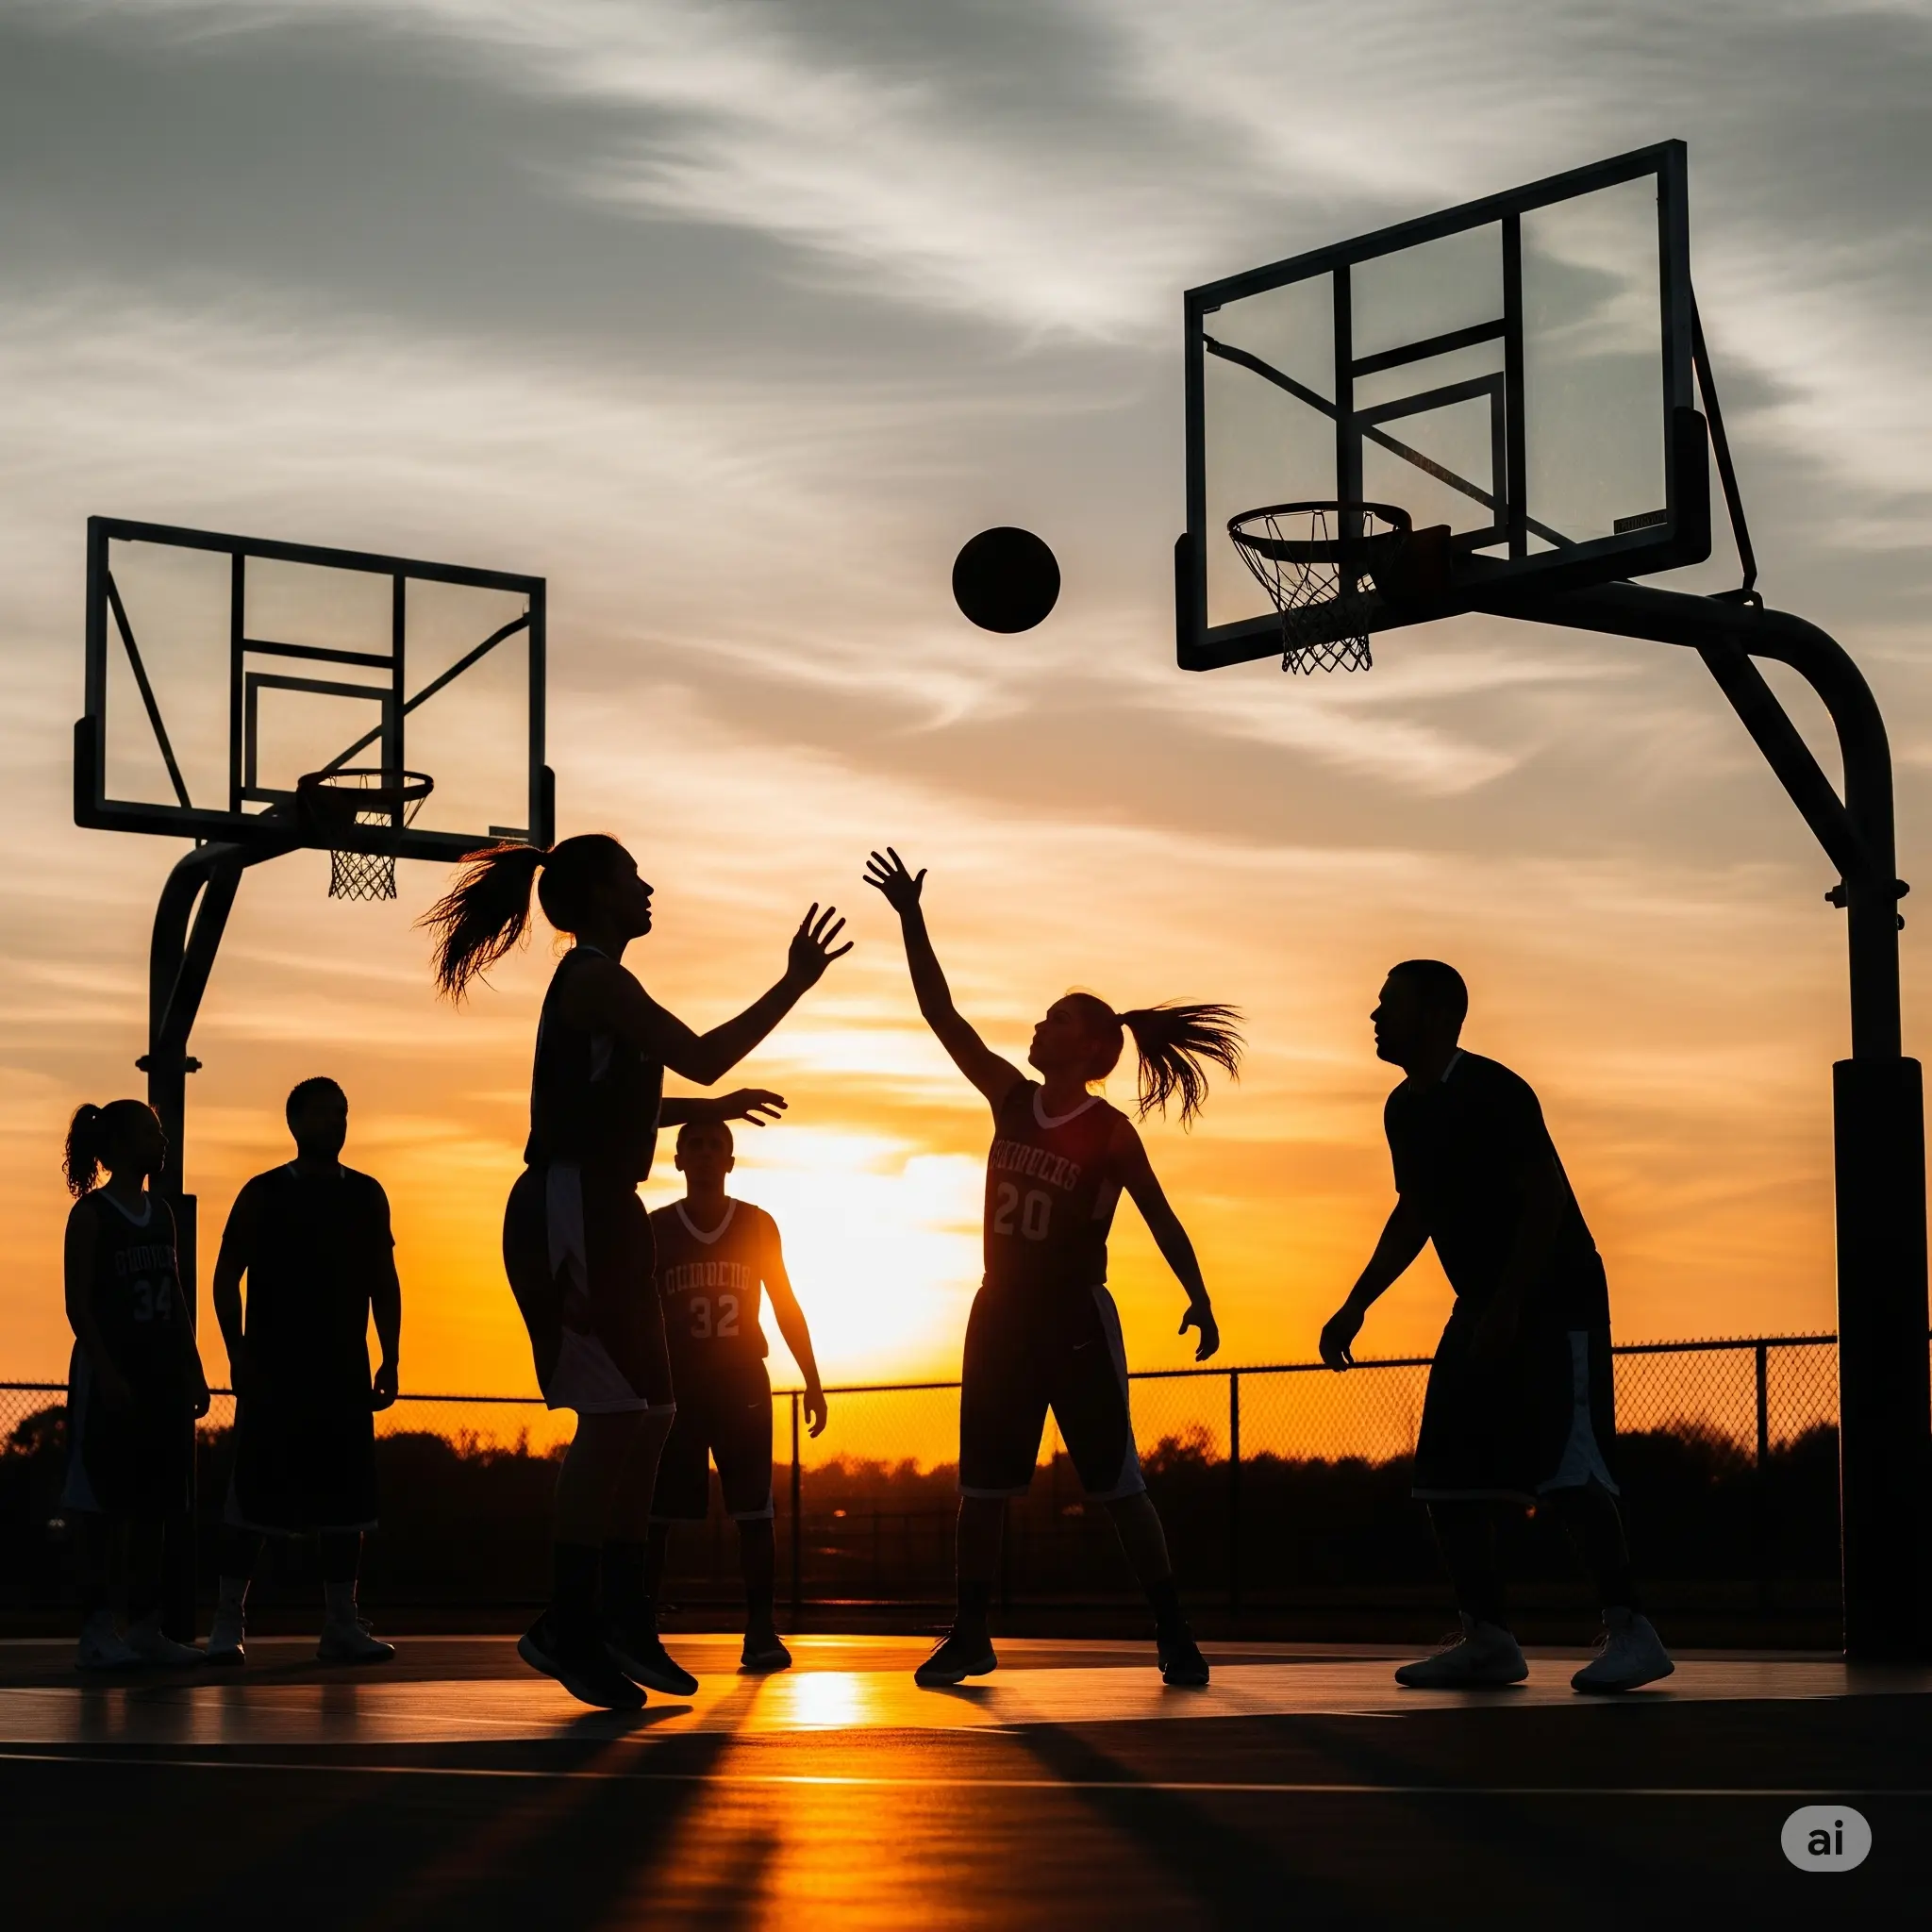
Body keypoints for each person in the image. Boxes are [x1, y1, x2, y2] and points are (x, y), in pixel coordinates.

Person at [425, 832, 849, 1709]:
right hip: (570, 1206)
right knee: (615, 1419)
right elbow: (698, 1052)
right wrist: (792, 986)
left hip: (606, 1208)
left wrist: (710, 1107)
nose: (649, 887)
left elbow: (633, 1099)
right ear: (598, 896)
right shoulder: (592, 977)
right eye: (633, 879)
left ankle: (620, 1613)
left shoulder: (605, 986)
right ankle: (566, 1623)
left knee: (653, 1413)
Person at [863, 848, 1239, 1690]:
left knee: (1116, 1485)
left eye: (1052, 1019)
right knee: (983, 1488)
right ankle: (970, 1631)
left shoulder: (1106, 1130)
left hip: (1073, 1318)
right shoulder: (1007, 1098)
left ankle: (1173, 1629)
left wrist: (1200, 1296)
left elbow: (1162, 1216)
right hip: (1000, 1314)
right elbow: (942, 1015)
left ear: (1089, 1046)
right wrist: (911, 919)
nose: (1034, 1029)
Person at [1319, 959, 1674, 1693]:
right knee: (1446, 1477)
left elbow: (1546, 1196)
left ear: (1439, 1015)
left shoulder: (1495, 1090)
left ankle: (1633, 1630)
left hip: (1553, 1294)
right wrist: (1357, 1302)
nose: (1376, 1017)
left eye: (1390, 1005)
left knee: (1569, 1467)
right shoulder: (1403, 1109)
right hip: (1482, 1299)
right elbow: (1414, 1212)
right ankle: (1489, 1638)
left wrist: (1512, 1301)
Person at [206, 1077, 401, 1667]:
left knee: (348, 1502)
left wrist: (391, 1355)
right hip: (274, 1369)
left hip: (342, 1367)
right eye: (322, 1113)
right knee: (254, 1498)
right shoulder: (264, 1192)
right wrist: (237, 1351)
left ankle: (341, 1622)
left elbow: (383, 1281)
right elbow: (224, 1276)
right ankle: (225, 1622)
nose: (335, 1123)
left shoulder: (366, 1194)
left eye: (342, 1112)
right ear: (295, 1122)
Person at [639, 1119, 829, 1685]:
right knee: (658, 1514)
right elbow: (635, 1314)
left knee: (754, 1511)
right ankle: (640, 1625)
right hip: (677, 1384)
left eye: (714, 1145)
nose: (702, 1152)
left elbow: (785, 1303)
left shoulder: (755, 1224)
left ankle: (761, 1629)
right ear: (676, 1159)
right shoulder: (656, 1229)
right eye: (692, 1144)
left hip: (742, 1379)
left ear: (729, 1161)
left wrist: (812, 1377)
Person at [59, 1100, 210, 1669]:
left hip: (162, 1375)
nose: (162, 1140)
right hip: (112, 1374)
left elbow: (174, 1294)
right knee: (102, 1507)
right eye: (152, 1131)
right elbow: (78, 1306)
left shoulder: (162, 1213)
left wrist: (193, 1366)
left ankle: (145, 1626)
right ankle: (97, 1631)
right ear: (121, 1146)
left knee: (157, 1507)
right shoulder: (92, 1215)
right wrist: (106, 1369)